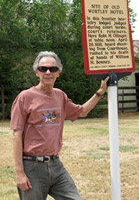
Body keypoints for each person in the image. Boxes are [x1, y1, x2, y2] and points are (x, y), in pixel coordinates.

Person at [10, 51, 109, 200]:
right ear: (37, 72)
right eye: (43, 69)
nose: (48, 72)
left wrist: (99, 93)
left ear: (58, 73)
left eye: (52, 69)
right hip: (32, 166)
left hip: (56, 164)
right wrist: (19, 172)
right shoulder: (25, 97)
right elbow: (16, 135)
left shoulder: (60, 96)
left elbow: (81, 111)